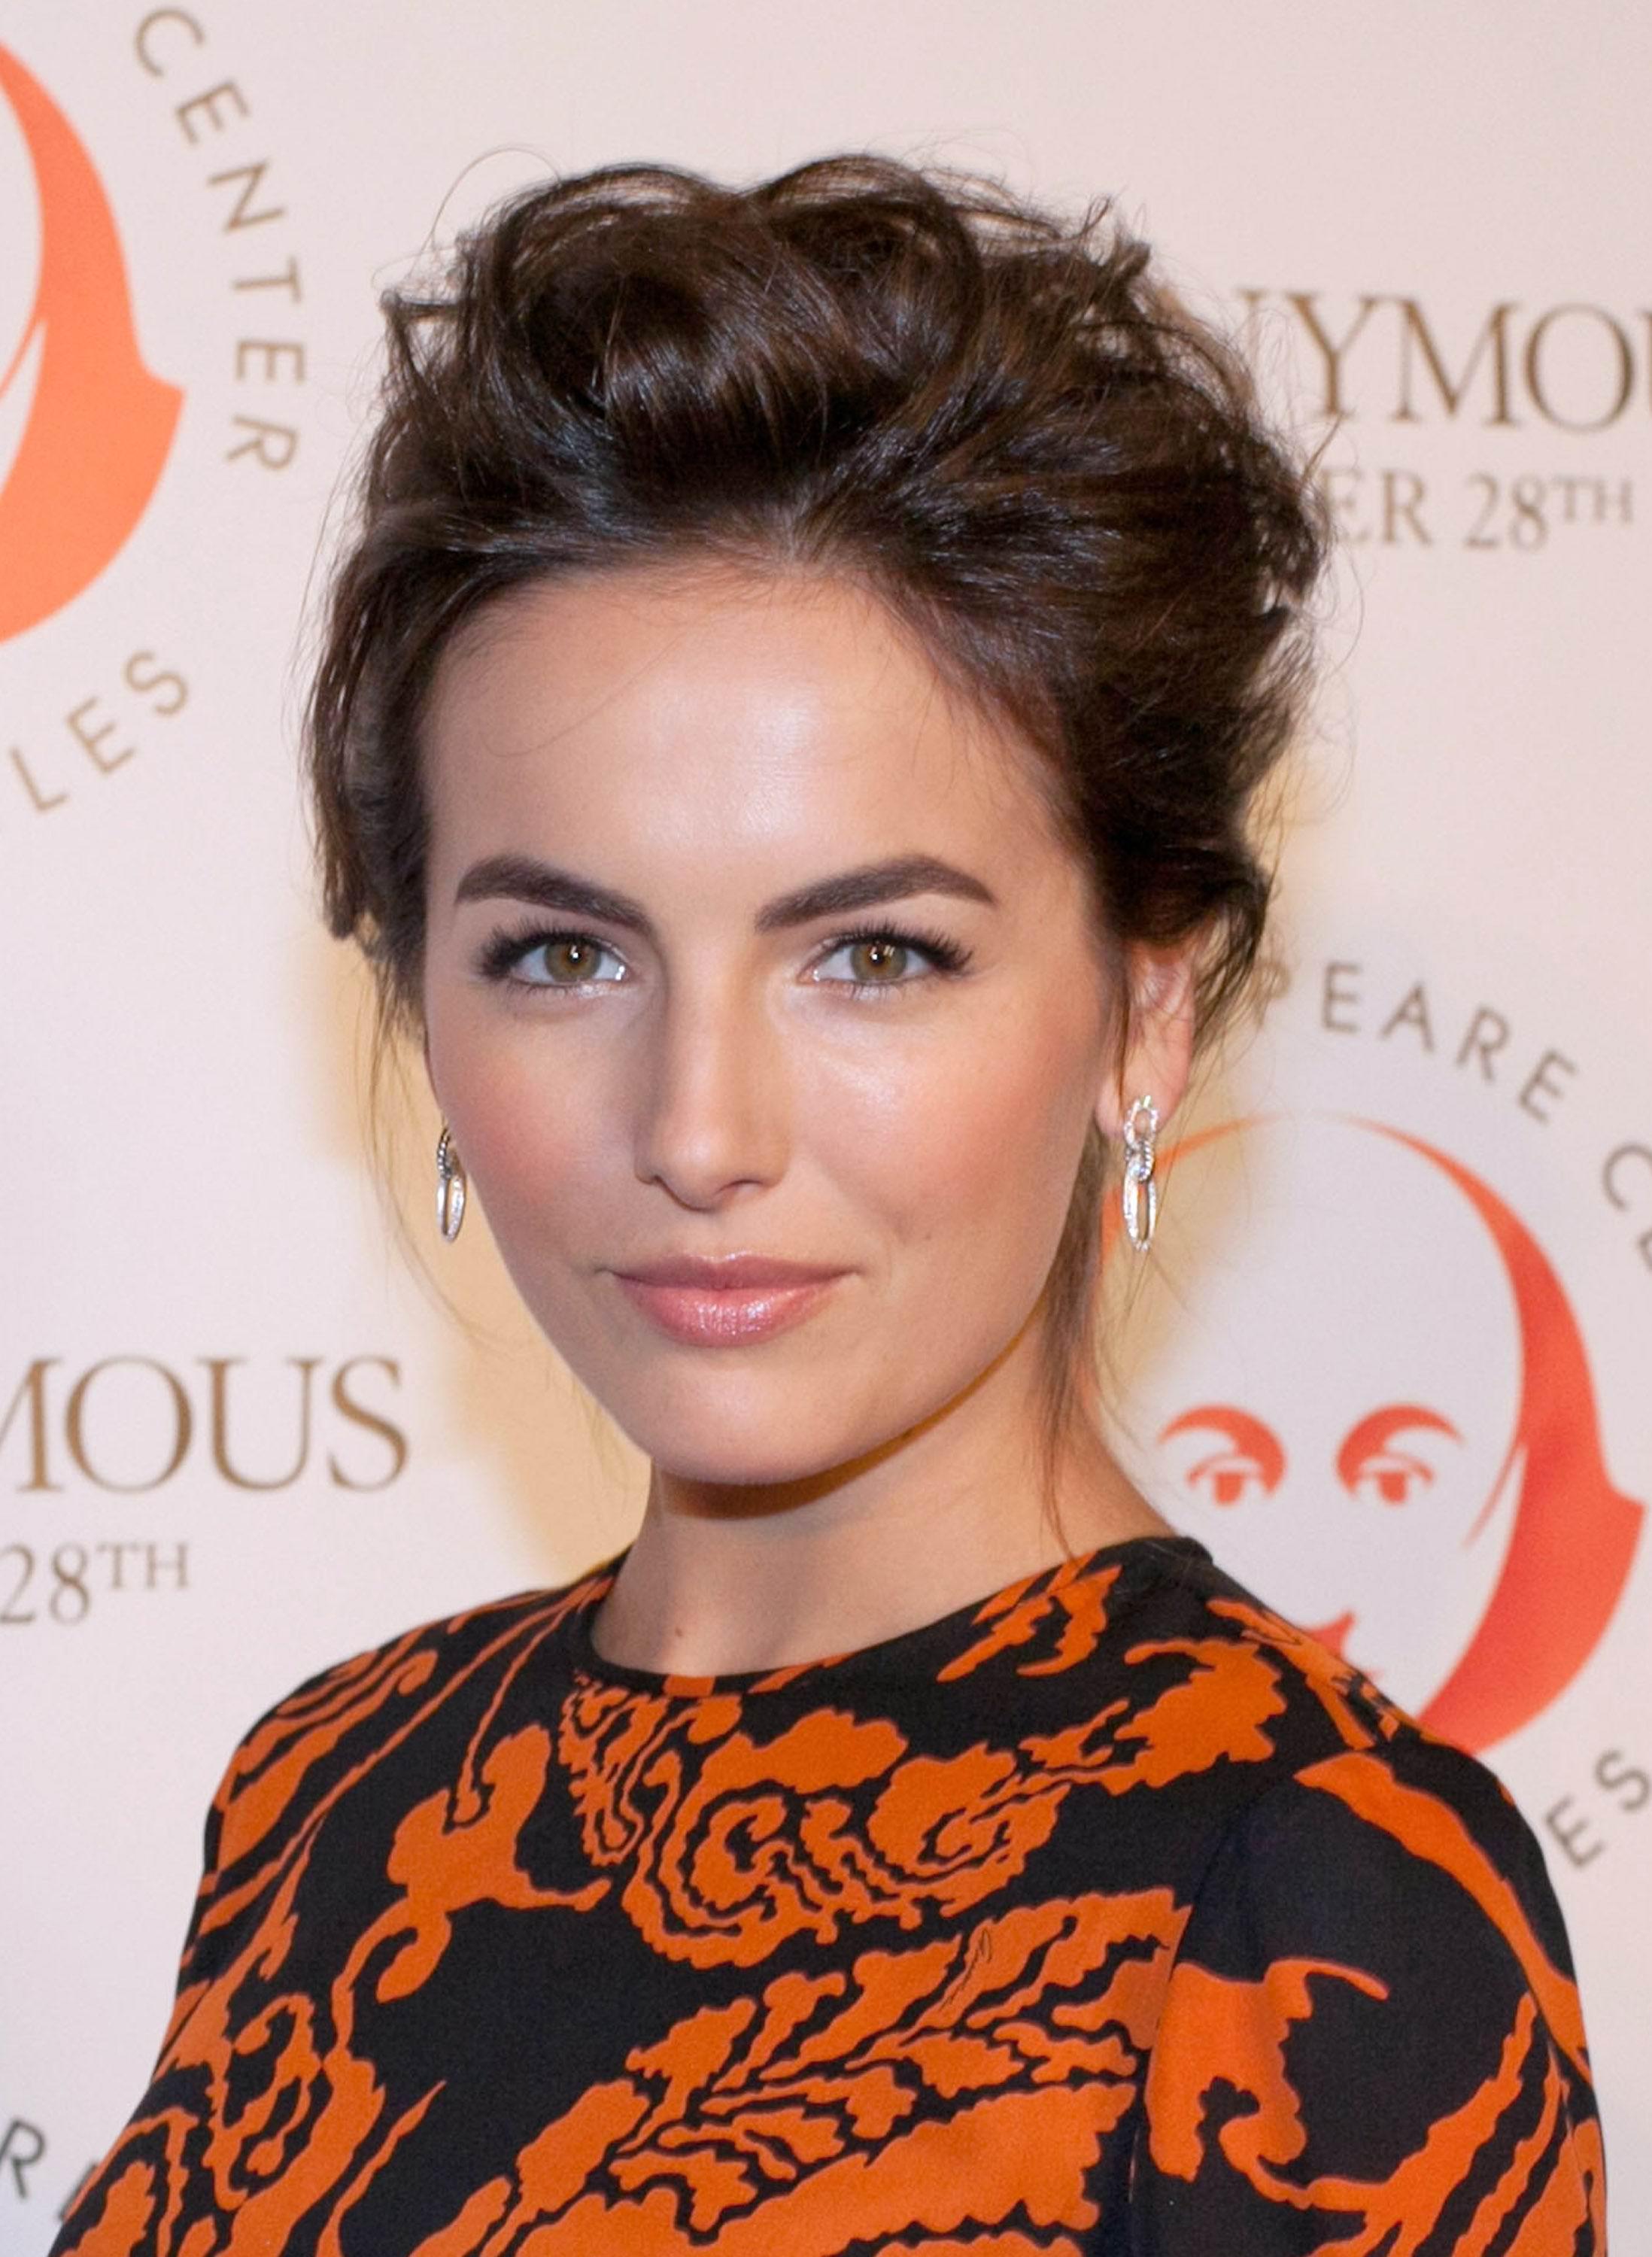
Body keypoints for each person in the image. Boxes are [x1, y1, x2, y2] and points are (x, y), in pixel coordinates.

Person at [53, 154, 1605, 2255]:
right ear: (417, 999)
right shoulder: (333, 1795)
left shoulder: (1310, 1891)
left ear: (1142, 1016)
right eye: (562, 954)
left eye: (873, 955)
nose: (700, 1128)